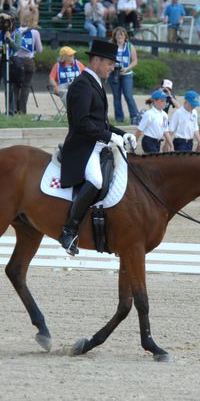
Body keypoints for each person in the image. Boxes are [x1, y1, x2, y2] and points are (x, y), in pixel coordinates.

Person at [57, 40, 136, 256]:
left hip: (97, 143)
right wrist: (109, 136)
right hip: (83, 146)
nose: (112, 68)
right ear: (98, 60)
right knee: (96, 180)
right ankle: (69, 230)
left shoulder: (96, 83)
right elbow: (82, 123)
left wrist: (122, 134)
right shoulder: (82, 84)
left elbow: (101, 123)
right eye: (110, 63)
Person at [0, 12, 20, 116]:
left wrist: (9, 38)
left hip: (8, 62)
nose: (6, 23)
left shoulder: (16, 33)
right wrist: (1, 15)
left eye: (9, 21)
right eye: (5, 21)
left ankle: (10, 111)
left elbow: (16, 48)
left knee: (8, 88)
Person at [13, 7, 42, 114]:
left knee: (15, 86)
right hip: (28, 61)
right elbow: (40, 50)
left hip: (16, 61)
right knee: (25, 86)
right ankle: (22, 110)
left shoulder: (16, 31)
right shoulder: (35, 32)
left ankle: (14, 109)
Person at [108, 26, 139, 124]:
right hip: (114, 74)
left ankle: (135, 117)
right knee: (116, 96)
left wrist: (127, 68)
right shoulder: (111, 46)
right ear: (114, 36)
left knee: (128, 95)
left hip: (126, 74)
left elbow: (135, 61)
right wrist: (111, 67)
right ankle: (119, 118)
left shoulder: (130, 46)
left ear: (125, 36)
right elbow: (107, 60)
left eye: (121, 34)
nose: (119, 36)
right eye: (117, 35)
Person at [135, 89, 173, 154]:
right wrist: (134, 143)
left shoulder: (165, 115)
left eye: (165, 101)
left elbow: (165, 130)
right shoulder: (149, 114)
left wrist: (171, 145)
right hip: (148, 141)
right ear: (155, 101)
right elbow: (140, 130)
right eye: (162, 101)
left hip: (157, 142)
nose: (164, 103)